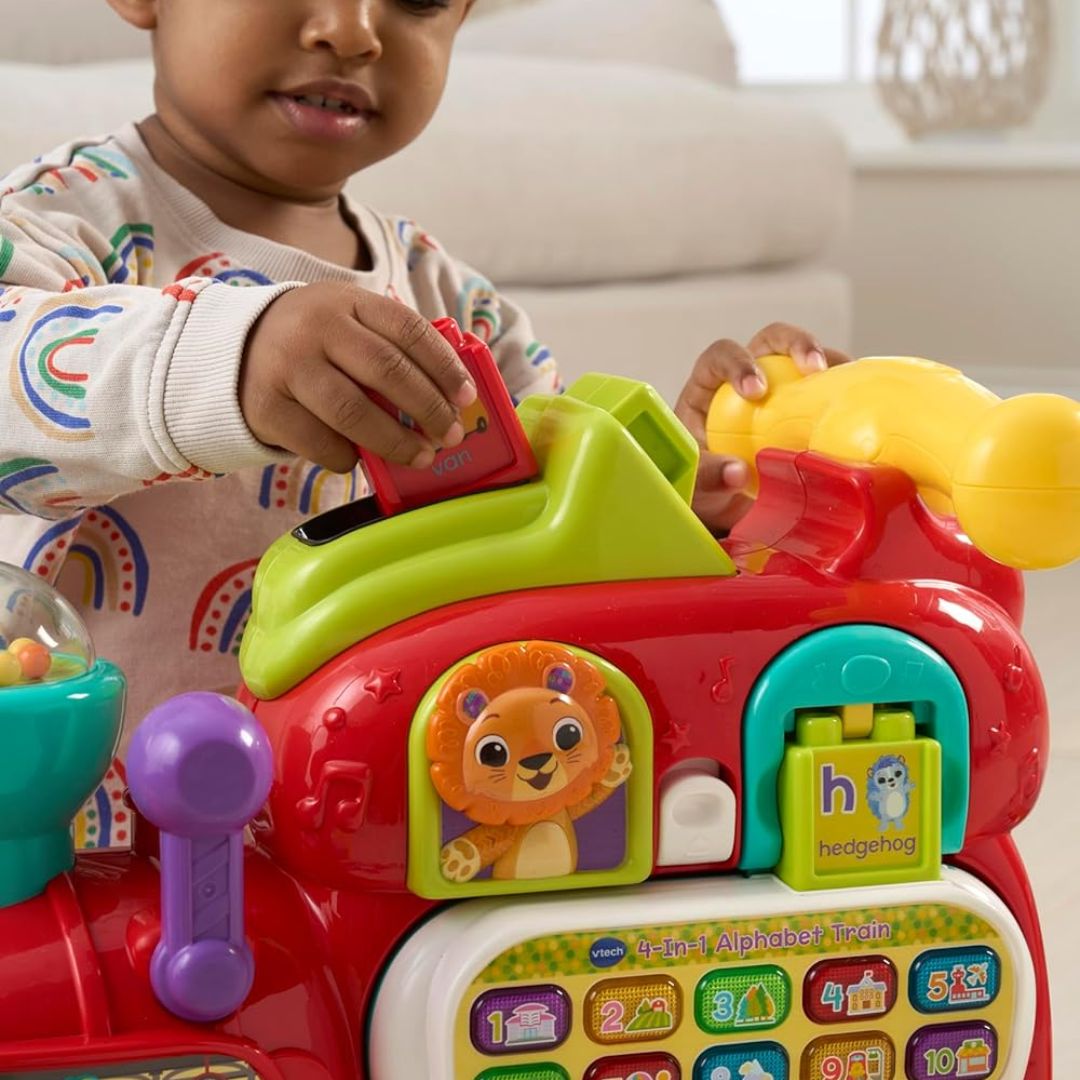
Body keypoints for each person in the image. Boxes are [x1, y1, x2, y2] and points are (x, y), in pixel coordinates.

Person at [0, 0, 848, 736]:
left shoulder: (456, 306)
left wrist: (688, 489)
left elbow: (560, 534)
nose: (351, 31)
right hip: (100, 830)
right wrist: (233, 355)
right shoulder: (61, 222)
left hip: (380, 818)